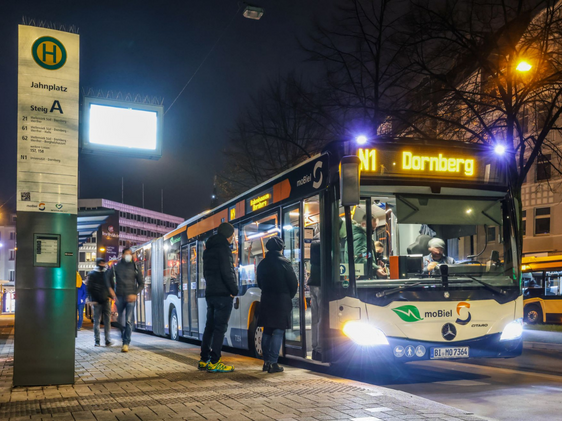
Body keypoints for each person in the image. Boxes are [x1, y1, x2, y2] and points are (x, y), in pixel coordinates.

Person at [199, 222, 238, 373]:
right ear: (229, 235)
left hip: (211, 293)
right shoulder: (224, 249)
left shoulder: (208, 250)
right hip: (223, 294)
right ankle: (215, 361)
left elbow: (206, 274)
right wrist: (234, 290)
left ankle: (204, 359)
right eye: (233, 235)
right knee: (220, 328)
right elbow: (227, 272)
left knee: (209, 326)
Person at [257, 237, 298, 373]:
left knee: (267, 330)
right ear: (281, 248)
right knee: (279, 331)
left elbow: (259, 283)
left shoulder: (262, 264)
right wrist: (288, 296)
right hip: (281, 300)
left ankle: (266, 362)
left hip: (266, 299)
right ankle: (274, 363)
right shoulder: (285, 263)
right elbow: (293, 284)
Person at [106, 248, 144, 353]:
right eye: (127, 254)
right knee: (119, 321)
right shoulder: (116, 267)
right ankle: (123, 334)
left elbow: (141, 283)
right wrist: (111, 292)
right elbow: (107, 280)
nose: (129, 256)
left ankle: (126, 343)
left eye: (130, 254)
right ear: (122, 255)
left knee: (128, 320)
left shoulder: (135, 267)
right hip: (119, 297)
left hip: (130, 297)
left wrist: (135, 294)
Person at [87, 258, 116, 347]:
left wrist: (111, 297)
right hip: (98, 301)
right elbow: (90, 288)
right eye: (101, 263)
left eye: (103, 262)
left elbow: (112, 285)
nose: (102, 264)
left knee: (103, 321)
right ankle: (98, 341)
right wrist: (92, 299)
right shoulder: (96, 274)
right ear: (98, 263)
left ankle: (105, 340)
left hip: (105, 300)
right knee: (98, 321)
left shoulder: (95, 273)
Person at [308, 234, 322, 360]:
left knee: (315, 317)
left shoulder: (314, 242)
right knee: (322, 317)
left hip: (313, 283)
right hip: (322, 284)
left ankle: (315, 348)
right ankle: (321, 349)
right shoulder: (325, 243)